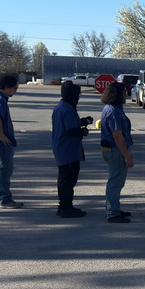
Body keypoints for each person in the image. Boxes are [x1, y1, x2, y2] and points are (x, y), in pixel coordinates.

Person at [52, 81, 92, 218]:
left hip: (61, 148)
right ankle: (66, 208)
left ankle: (64, 206)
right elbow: (71, 130)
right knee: (68, 180)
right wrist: (83, 132)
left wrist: (82, 121)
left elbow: (68, 124)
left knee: (63, 178)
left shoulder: (60, 106)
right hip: (68, 149)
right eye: (78, 95)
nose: (79, 97)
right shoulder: (68, 109)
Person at [100, 81, 134, 223]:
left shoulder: (111, 108)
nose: (127, 94)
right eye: (125, 92)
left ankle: (114, 207)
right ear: (118, 94)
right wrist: (127, 156)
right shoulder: (113, 112)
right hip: (116, 150)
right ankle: (112, 213)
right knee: (115, 183)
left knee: (116, 182)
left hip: (112, 149)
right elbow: (117, 136)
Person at [0, 75, 22, 209]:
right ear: (6, 86)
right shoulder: (0, 100)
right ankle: (5, 199)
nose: (15, 91)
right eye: (14, 88)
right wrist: (1, 135)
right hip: (1, 142)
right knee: (6, 170)